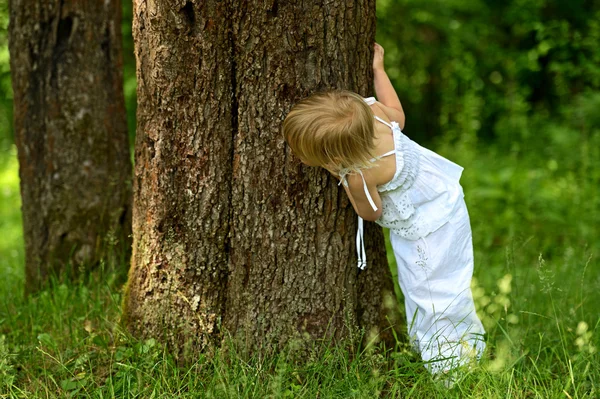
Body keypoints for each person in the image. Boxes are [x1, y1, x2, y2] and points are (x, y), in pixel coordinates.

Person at [282, 43, 486, 377]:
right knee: (450, 282)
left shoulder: (360, 174)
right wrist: (379, 70)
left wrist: (343, 178)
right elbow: (399, 115)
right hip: (447, 199)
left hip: (424, 229)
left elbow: (371, 213)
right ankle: (468, 347)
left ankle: (451, 368)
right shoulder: (374, 116)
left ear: (335, 157)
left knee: (428, 291)